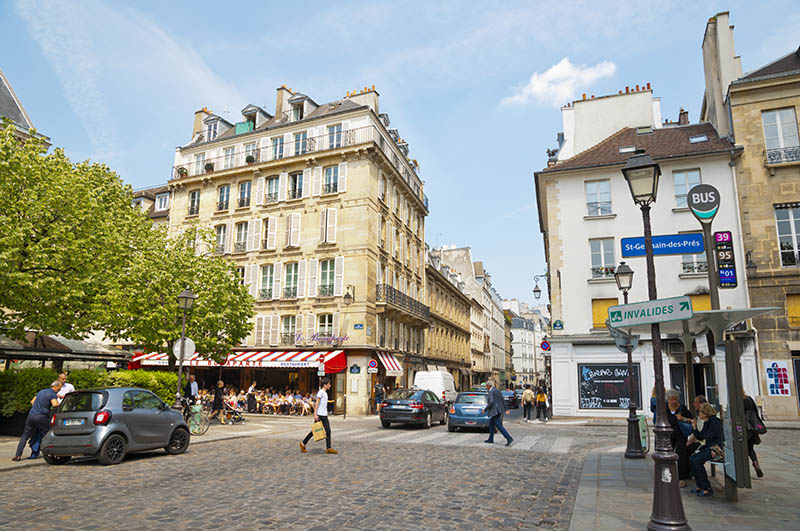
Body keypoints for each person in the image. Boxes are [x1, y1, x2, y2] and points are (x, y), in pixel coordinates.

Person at [13, 380, 62, 461]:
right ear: (55, 386)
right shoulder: (52, 393)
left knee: (25, 436)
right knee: (48, 434)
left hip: (31, 415)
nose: (59, 390)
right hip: (41, 417)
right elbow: (55, 404)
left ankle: (18, 455)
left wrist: (37, 407)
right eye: (59, 388)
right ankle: (50, 453)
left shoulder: (41, 391)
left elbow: (32, 401)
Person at [689, 402, 723, 498]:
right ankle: (699, 485)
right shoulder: (707, 422)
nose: (699, 414)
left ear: (705, 413)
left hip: (715, 448)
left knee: (697, 461)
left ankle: (706, 487)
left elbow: (719, 437)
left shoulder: (714, 422)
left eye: (700, 412)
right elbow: (701, 436)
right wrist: (694, 427)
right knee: (692, 459)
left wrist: (715, 448)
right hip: (709, 447)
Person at [665, 388, 694, 487]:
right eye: (671, 399)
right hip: (669, 434)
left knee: (680, 454)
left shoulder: (682, 408)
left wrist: (683, 418)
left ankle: (681, 477)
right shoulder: (664, 408)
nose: (673, 401)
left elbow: (693, 420)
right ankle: (667, 475)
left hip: (681, 434)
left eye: (675, 399)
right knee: (667, 455)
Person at [300, 377, 337, 454]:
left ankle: (329, 448)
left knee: (328, 431)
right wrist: (315, 414)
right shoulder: (320, 392)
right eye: (329, 384)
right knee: (314, 431)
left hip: (324, 415)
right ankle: (303, 443)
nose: (330, 385)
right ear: (325, 385)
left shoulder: (325, 393)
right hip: (319, 414)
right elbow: (317, 403)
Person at [483, 379, 513, 446]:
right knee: (491, 424)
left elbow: (491, 402)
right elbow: (502, 400)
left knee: (499, 426)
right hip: (499, 410)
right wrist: (506, 409)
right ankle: (490, 439)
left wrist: (485, 409)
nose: (486, 387)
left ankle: (509, 438)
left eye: (486, 386)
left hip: (494, 411)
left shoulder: (491, 392)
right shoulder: (497, 390)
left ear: (488, 386)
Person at [743, 391, 764, 478]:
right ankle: (755, 462)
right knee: (750, 448)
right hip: (752, 426)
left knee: (741, 448)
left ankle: (743, 470)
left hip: (743, 427)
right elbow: (756, 412)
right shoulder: (749, 399)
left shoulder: (738, 400)